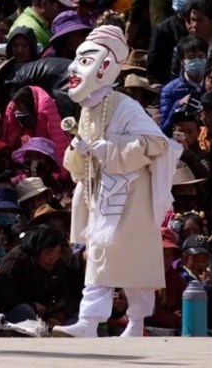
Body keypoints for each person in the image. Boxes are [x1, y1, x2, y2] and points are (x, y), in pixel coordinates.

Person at [54, 26, 180, 338]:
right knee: (98, 258)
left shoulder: (125, 106)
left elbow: (156, 144)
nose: (73, 67)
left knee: (133, 263)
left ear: (106, 66)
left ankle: (136, 323)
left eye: (84, 60)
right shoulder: (87, 110)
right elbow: (83, 162)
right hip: (103, 196)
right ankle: (89, 321)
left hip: (131, 198)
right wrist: (79, 152)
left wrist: (109, 151)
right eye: (77, 59)